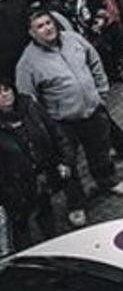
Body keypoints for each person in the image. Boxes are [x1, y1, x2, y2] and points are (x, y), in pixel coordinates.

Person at [16, 9, 123, 219]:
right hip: (62, 122)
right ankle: (76, 204)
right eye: (40, 26)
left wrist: (101, 93)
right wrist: (46, 125)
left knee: (100, 150)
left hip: (93, 110)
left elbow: (94, 61)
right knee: (68, 166)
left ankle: (108, 181)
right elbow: (28, 101)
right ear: (32, 33)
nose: (47, 28)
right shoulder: (28, 63)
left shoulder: (73, 39)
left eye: (48, 22)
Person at [0, 76, 73, 245]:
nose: (4, 95)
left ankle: (53, 246)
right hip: (16, 189)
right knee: (21, 227)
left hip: (42, 177)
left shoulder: (30, 107)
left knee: (47, 213)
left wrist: (65, 160)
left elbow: (54, 133)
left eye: (6, 89)